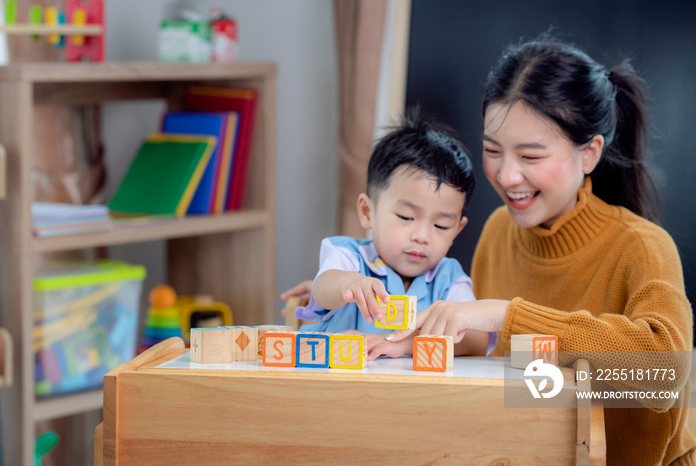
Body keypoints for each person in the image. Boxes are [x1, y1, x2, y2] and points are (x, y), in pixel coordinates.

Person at [283, 37, 695, 464]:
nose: (507, 175)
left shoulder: (642, 247)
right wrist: (336, 294)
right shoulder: (500, 232)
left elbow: (665, 376)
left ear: (589, 153)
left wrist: (504, 316)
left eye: (531, 156)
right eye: (493, 150)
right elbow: (517, 381)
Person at [293, 109, 492, 356]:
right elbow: (323, 290)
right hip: (340, 388)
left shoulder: (449, 280)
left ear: (457, 230)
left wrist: (402, 345)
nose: (422, 236)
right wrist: (350, 283)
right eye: (406, 217)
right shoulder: (350, 257)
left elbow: (475, 340)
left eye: (441, 226)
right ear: (367, 211)